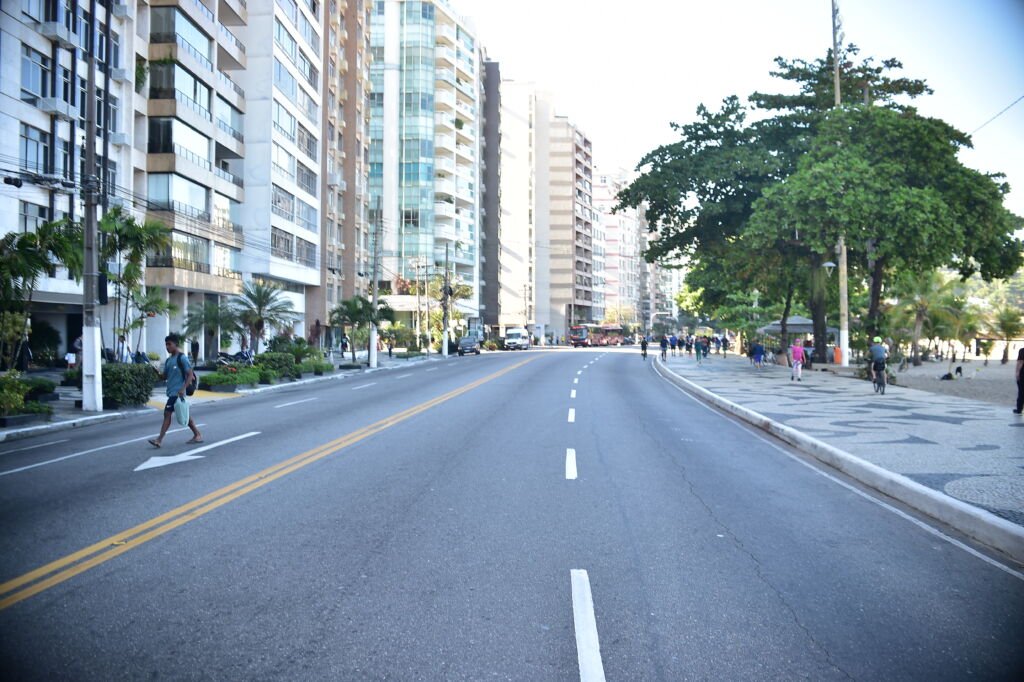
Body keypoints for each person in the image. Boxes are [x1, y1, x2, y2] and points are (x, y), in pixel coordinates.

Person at [149, 333, 202, 448]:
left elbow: (190, 374)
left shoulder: (182, 358)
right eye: (166, 344)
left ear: (175, 344)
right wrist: (157, 372)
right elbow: (164, 377)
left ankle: (159, 440)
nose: (167, 347)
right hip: (172, 392)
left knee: (167, 413)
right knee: (183, 414)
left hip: (178, 393)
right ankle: (197, 434)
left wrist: (183, 389)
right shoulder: (169, 361)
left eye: (169, 344)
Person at [1014, 347, 1023, 415]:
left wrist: (1017, 373)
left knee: (1021, 392)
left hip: (1023, 374)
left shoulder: (1022, 351)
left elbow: (1020, 362)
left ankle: (1019, 409)